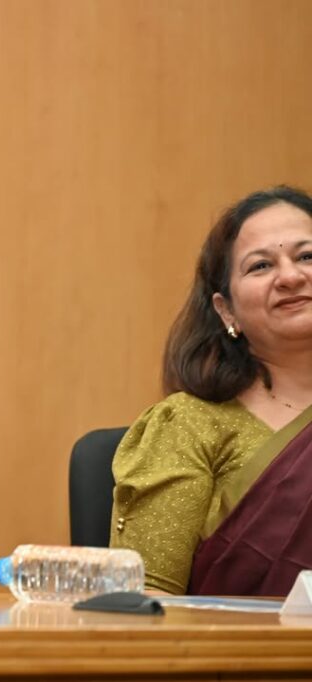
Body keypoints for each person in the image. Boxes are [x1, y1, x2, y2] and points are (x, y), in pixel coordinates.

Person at [110, 185, 312, 596]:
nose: (291, 277)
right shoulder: (188, 425)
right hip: (233, 642)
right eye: (260, 266)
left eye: (307, 256)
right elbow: (145, 601)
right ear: (227, 310)